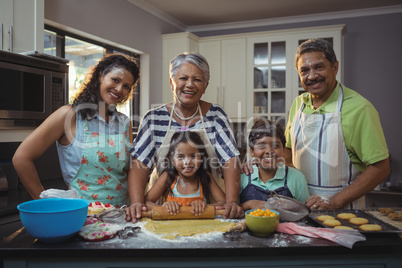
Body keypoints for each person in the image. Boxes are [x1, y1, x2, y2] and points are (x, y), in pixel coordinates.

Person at [127, 52, 243, 222]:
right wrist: (137, 203)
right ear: (171, 82)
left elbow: (230, 160)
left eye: (197, 79)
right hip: (164, 210)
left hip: (209, 210)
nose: (190, 85)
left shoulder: (216, 115)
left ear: (205, 85)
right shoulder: (153, 118)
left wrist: (232, 202)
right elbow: (140, 164)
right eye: (183, 78)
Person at [12, 53, 140, 207]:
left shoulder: (124, 122)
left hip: (123, 214)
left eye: (126, 86)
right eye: (115, 80)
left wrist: (136, 203)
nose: (119, 89)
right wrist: (43, 204)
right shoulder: (69, 115)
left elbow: (129, 171)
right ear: (100, 75)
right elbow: (21, 158)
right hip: (84, 218)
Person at [283, 38, 390, 209]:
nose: (311, 76)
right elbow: (288, 151)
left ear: (335, 67)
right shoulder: (298, 104)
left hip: (343, 214)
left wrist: (334, 201)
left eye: (319, 67)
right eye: (304, 70)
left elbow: (381, 169)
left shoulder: (359, 109)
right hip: (300, 209)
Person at [145, 131, 225, 216]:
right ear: (172, 160)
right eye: (180, 157)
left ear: (201, 158)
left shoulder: (205, 176)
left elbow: (225, 202)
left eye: (193, 156)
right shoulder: (168, 177)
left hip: (200, 228)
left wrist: (205, 207)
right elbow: (145, 202)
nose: (187, 162)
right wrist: (163, 208)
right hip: (170, 228)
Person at [240, 119, 309, 211]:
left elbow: (304, 211)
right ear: (252, 151)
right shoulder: (242, 176)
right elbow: (232, 209)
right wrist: (247, 205)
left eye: (275, 146)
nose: (269, 151)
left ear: (283, 150)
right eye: (261, 146)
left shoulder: (297, 177)